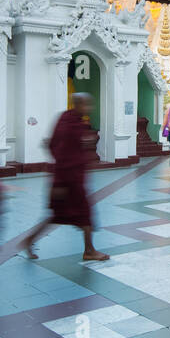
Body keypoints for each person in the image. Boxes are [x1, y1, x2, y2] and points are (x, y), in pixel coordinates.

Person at [20, 93, 109, 262]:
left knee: (59, 216)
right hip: (68, 180)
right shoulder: (69, 124)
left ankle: (30, 240)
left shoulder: (67, 119)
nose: (88, 108)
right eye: (86, 104)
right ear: (78, 104)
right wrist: (61, 182)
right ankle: (89, 250)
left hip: (71, 178)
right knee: (84, 214)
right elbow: (60, 151)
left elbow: (51, 144)